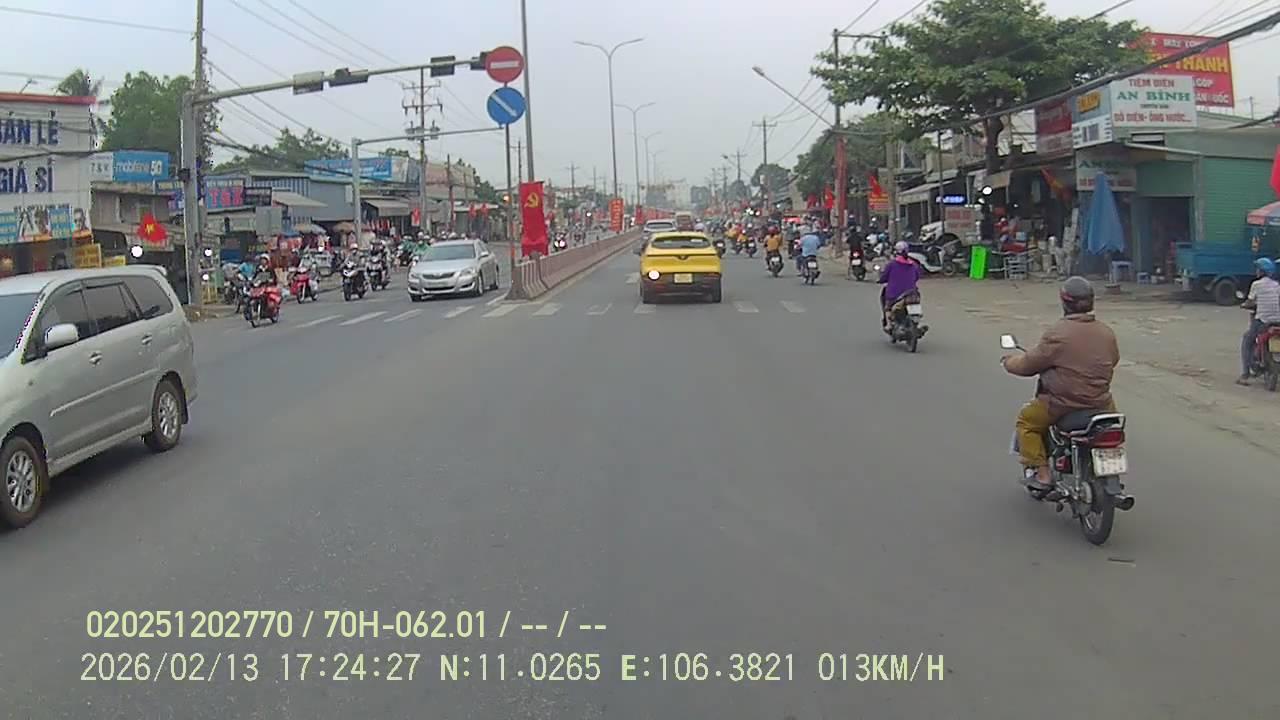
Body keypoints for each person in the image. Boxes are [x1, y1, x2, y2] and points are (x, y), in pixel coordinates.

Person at [1001, 277, 1119, 490]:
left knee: (1026, 423)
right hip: (1101, 403)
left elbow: (1028, 365)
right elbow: (1114, 360)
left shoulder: (1058, 333)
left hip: (1062, 403)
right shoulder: (1106, 332)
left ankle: (1043, 475)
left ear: (1065, 302)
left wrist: (1009, 362)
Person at [1237, 257, 1280, 385]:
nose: (1256, 271)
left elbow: (1250, 301)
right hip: (1277, 321)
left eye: (1258, 269)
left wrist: (1244, 305)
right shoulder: (1277, 285)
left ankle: (1245, 374)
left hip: (1263, 321)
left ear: (1262, 271)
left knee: (1247, 340)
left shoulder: (1256, 284)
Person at [877, 241, 922, 329]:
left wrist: (880, 280)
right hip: (912, 293)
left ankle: (889, 325)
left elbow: (884, 277)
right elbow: (917, 276)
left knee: (888, 307)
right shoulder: (914, 264)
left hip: (895, 294)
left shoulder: (891, 264)